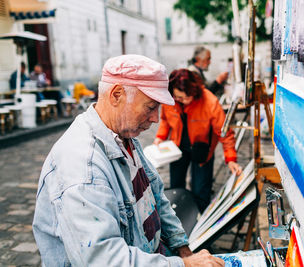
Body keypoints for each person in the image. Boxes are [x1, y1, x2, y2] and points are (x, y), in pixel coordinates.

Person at [32, 55, 224, 267]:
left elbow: (156, 196)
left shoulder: (124, 135)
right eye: (151, 107)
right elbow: (103, 260)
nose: (156, 118)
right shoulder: (84, 169)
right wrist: (184, 264)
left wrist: (182, 248)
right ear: (116, 95)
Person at [154, 69, 242, 212]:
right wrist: (160, 137)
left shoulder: (210, 102)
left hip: (202, 150)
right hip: (177, 149)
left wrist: (231, 158)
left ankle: (200, 218)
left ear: (194, 91)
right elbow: (165, 120)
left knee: (201, 189)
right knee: (176, 186)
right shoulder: (170, 99)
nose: (181, 101)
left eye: (185, 97)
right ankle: (177, 217)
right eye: (178, 97)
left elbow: (224, 132)